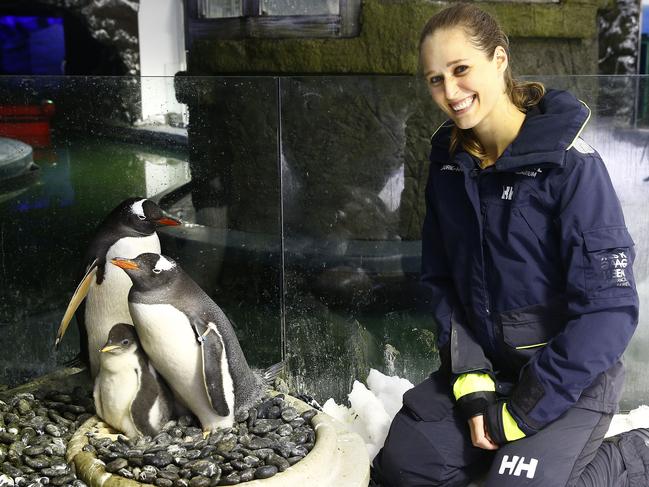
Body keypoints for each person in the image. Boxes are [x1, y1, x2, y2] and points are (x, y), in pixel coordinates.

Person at [372, 3, 647, 486]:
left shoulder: (572, 167)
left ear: (499, 60)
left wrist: (521, 412)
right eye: (435, 79)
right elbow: (442, 282)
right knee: (404, 468)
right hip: (492, 368)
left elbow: (609, 312)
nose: (450, 92)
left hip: (568, 379)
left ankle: (632, 455)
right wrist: (473, 385)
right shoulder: (448, 164)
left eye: (461, 70)